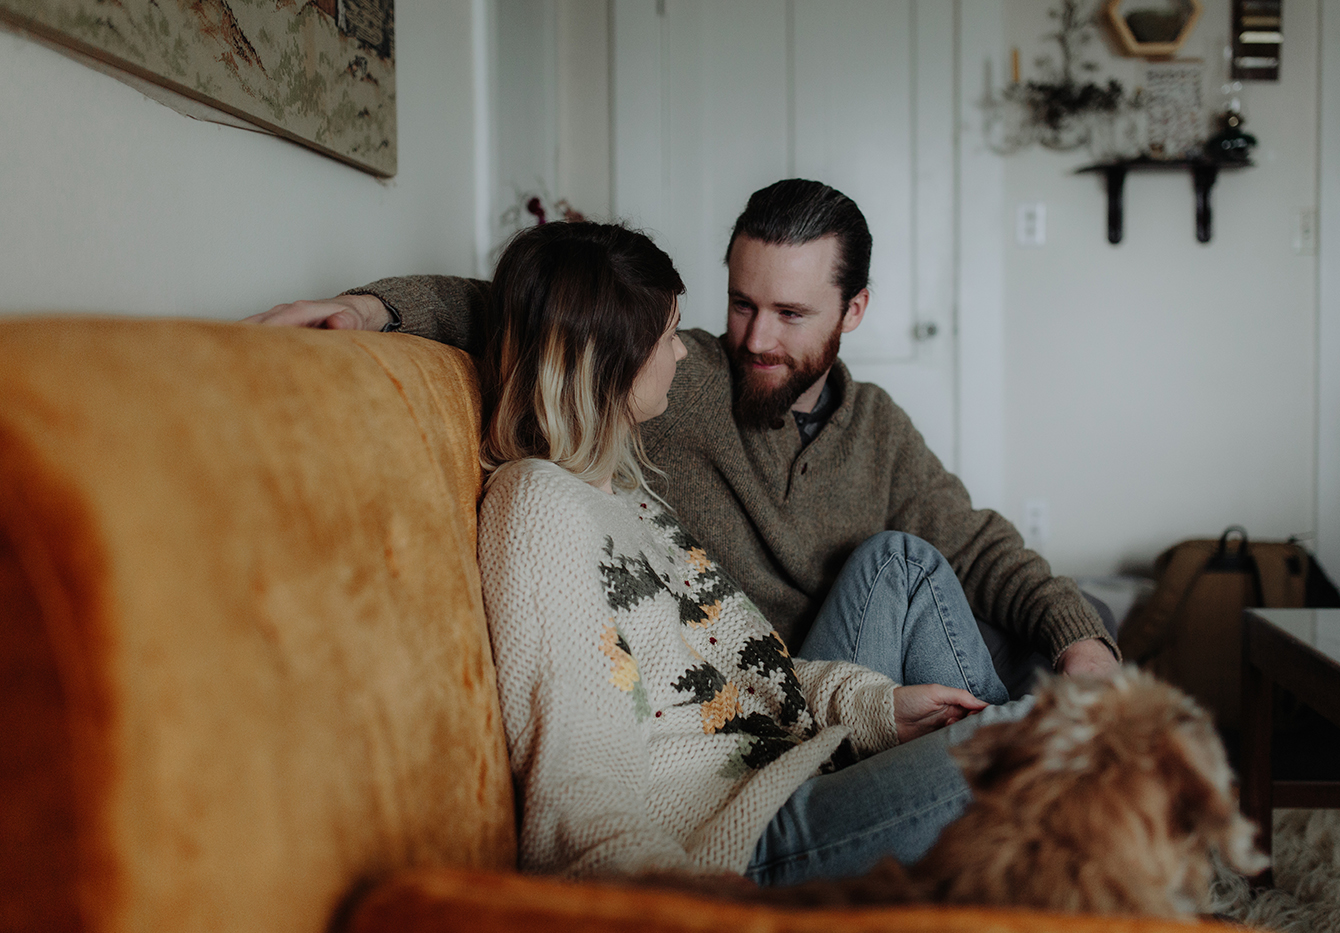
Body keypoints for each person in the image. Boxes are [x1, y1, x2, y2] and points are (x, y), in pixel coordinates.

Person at [246, 179, 1120, 693]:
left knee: (1046, 634)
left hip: (848, 690)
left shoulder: (878, 429)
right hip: (753, 711)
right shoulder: (672, 377)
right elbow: (518, 305)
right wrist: (373, 308)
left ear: (855, 310)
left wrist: (1082, 642)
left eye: (790, 312)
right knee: (905, 564)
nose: (756, 338)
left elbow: (979, 545)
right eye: (742, 302)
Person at [468, 219, 1024, 884]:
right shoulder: (540, 507)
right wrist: (676, 908)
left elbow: (755, 677)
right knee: (1050, 739)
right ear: (611, 355)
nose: (681, 353)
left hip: (786, 766)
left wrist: (882, 708)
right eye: (668, 334)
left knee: (1041, 723)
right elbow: (577, 775)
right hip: (736, 843)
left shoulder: (630, 501)